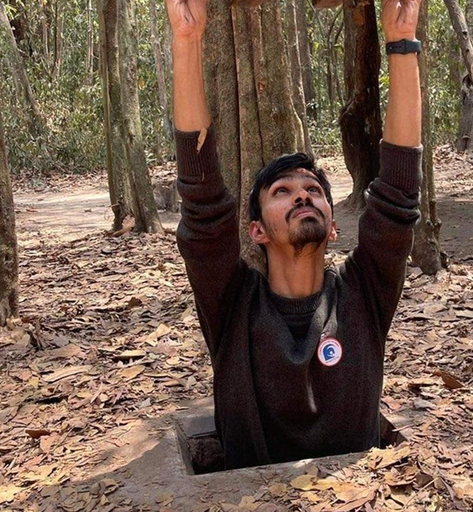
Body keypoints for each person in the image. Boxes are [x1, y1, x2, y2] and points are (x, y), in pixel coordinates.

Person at [167, 0, 423, 470]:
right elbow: (203, 207)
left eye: (314, 190)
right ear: (257, 230)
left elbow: (398, 193)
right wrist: (187, 42)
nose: (303, 196)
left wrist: (402, 44)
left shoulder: (364, 293)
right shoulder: (232, 304)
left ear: (333, 224)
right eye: (283, 191)